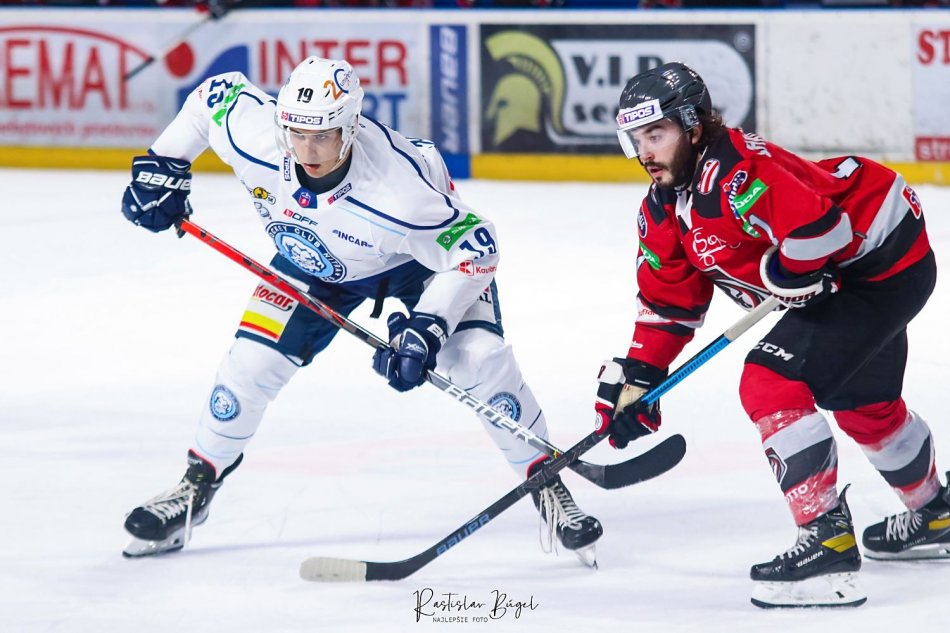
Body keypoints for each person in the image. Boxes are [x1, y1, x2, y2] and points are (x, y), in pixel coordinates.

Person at [120, 56, 602, 565]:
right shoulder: (259, 137)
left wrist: (428, 328)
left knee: (479, 360)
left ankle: (545, 479)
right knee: (249, 365)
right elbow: (212, 97)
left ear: (350, 127)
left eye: (322, 136)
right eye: (297, 132)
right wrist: (163, 165)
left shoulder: (400, 191)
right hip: (311, 262)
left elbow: (475, 249)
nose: (306, 151)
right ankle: (196, 485)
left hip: (420, 265)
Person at [594, 61, 948, 608]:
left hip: (877, 260)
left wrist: (784, 272)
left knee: (769, 381)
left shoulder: (736, 172)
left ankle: (827, 542)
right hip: (855, 272)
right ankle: (935, 514)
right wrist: (640, 376)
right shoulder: (664, 207)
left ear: (692, 127)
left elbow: (824, 230)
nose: (645, 152)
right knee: (863, 403)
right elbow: (669, 303)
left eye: (656, 134)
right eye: (636, 139)